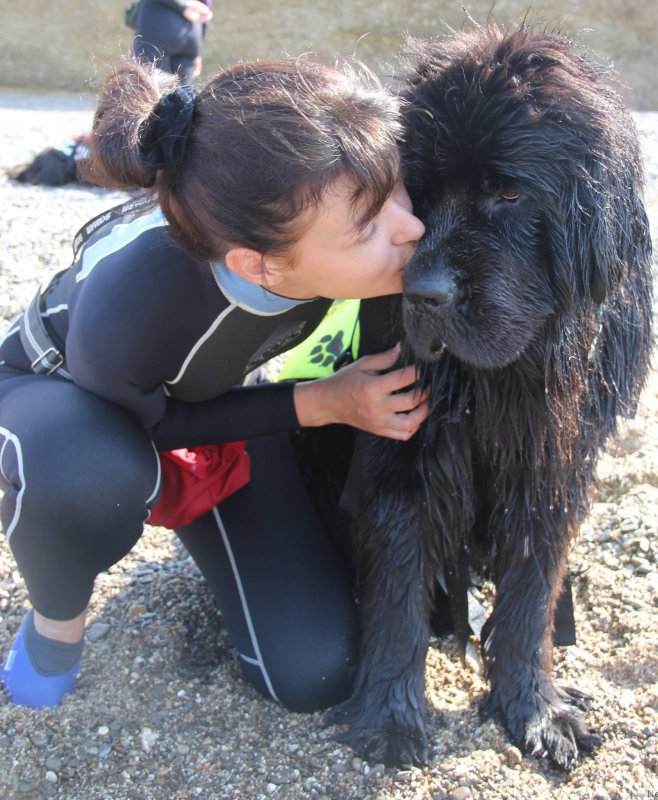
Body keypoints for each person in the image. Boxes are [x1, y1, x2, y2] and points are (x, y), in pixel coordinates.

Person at [0, 58, 427, 711]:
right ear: (262, 266)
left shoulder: (316, 209)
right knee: (96, 475)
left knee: (313, 672)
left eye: (397, 188)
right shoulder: (139, 300)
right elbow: (155, 426)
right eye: (369, 229)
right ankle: (56, 624)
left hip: (214, 393)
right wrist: (322, 401)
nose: (412, 228)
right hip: (65, 402)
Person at [133, 0, 214, 85]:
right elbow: (206, 9)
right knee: (183, 95)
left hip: (158, 24)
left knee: (150, 90)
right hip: (194, 30)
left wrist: (183, 6)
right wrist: (198, 50)